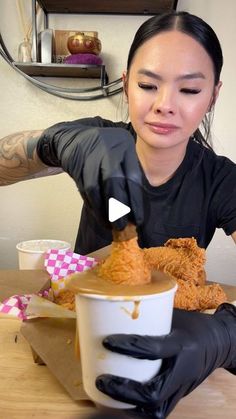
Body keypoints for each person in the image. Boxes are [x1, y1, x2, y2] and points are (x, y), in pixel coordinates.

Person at [0, 10, 236, 418]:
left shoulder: (221, 179)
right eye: (148, 84)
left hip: (173, 349)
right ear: (126, 86)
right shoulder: (98, 144)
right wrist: (56, 144)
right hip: (80, 338)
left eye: (189, 90)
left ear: (212, 95)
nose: (164, 105)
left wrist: (226, 336)